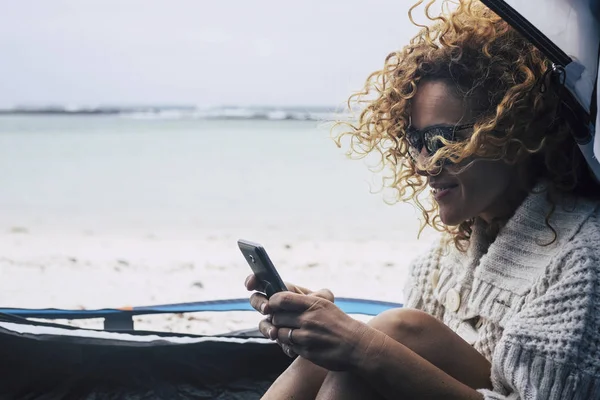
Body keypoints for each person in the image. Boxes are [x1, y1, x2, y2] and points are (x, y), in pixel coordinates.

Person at [244, 1, 600, 398]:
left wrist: (360, 344)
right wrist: (330, 331)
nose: (424, 165)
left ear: (512, 135)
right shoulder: (442, 261)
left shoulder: (582, 260)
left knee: (389, 336)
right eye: (415, 141)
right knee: (347, 349)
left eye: (443, 140)